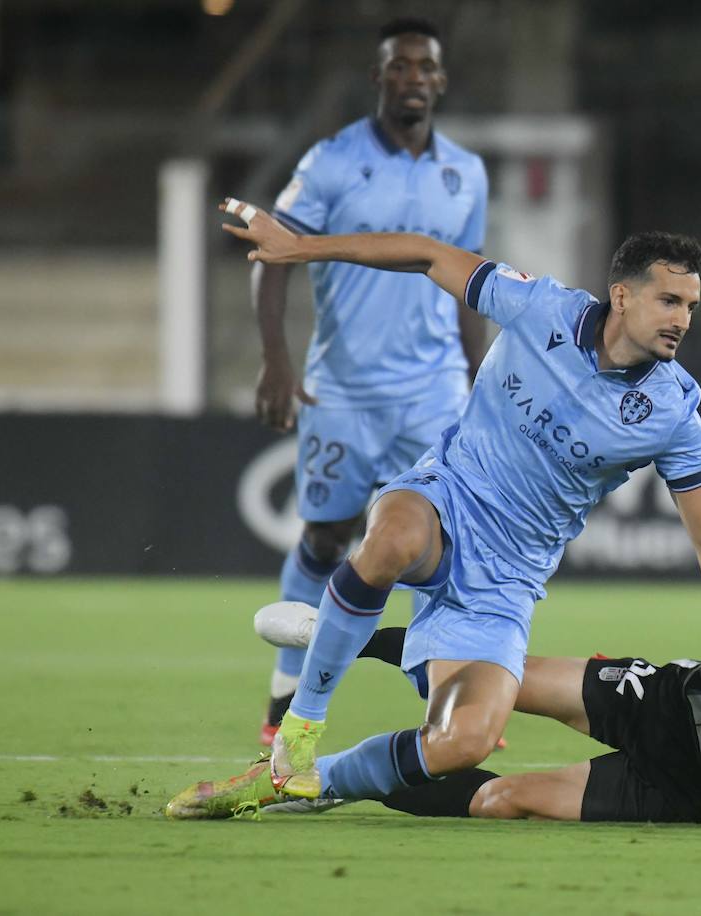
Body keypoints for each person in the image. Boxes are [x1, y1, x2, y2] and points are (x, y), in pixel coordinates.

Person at [217, 197, 701, 804]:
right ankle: (297, 732)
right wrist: (301, 248)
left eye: (690, 306)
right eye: (669, 300)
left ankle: (291, 787)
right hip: (448, 497)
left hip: (506, 578)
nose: (682, 319)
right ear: (622, 295)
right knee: (393, 538)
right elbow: (428, 255)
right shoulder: (538, 306)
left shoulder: (671, 412)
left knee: (463, 743)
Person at [167, 566, 701, 836]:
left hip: (693, 791)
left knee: (498, 801)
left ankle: (322, 784)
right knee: (499, 679)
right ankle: (339, 636)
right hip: (669, 703)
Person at [251, 18, 489, 747]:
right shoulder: (330, 161)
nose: (413, 77)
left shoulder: (466, 174)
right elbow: (272, 255)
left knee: (442, 543)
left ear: (441, 82)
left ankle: (448, 697)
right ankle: (286, 692)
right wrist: (277, 361)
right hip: (343, 392)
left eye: (425, 67)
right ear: (379, 79)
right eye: (399, 66)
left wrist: (479, 383)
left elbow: (471, 281)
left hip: (434, 392)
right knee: (326, 539)